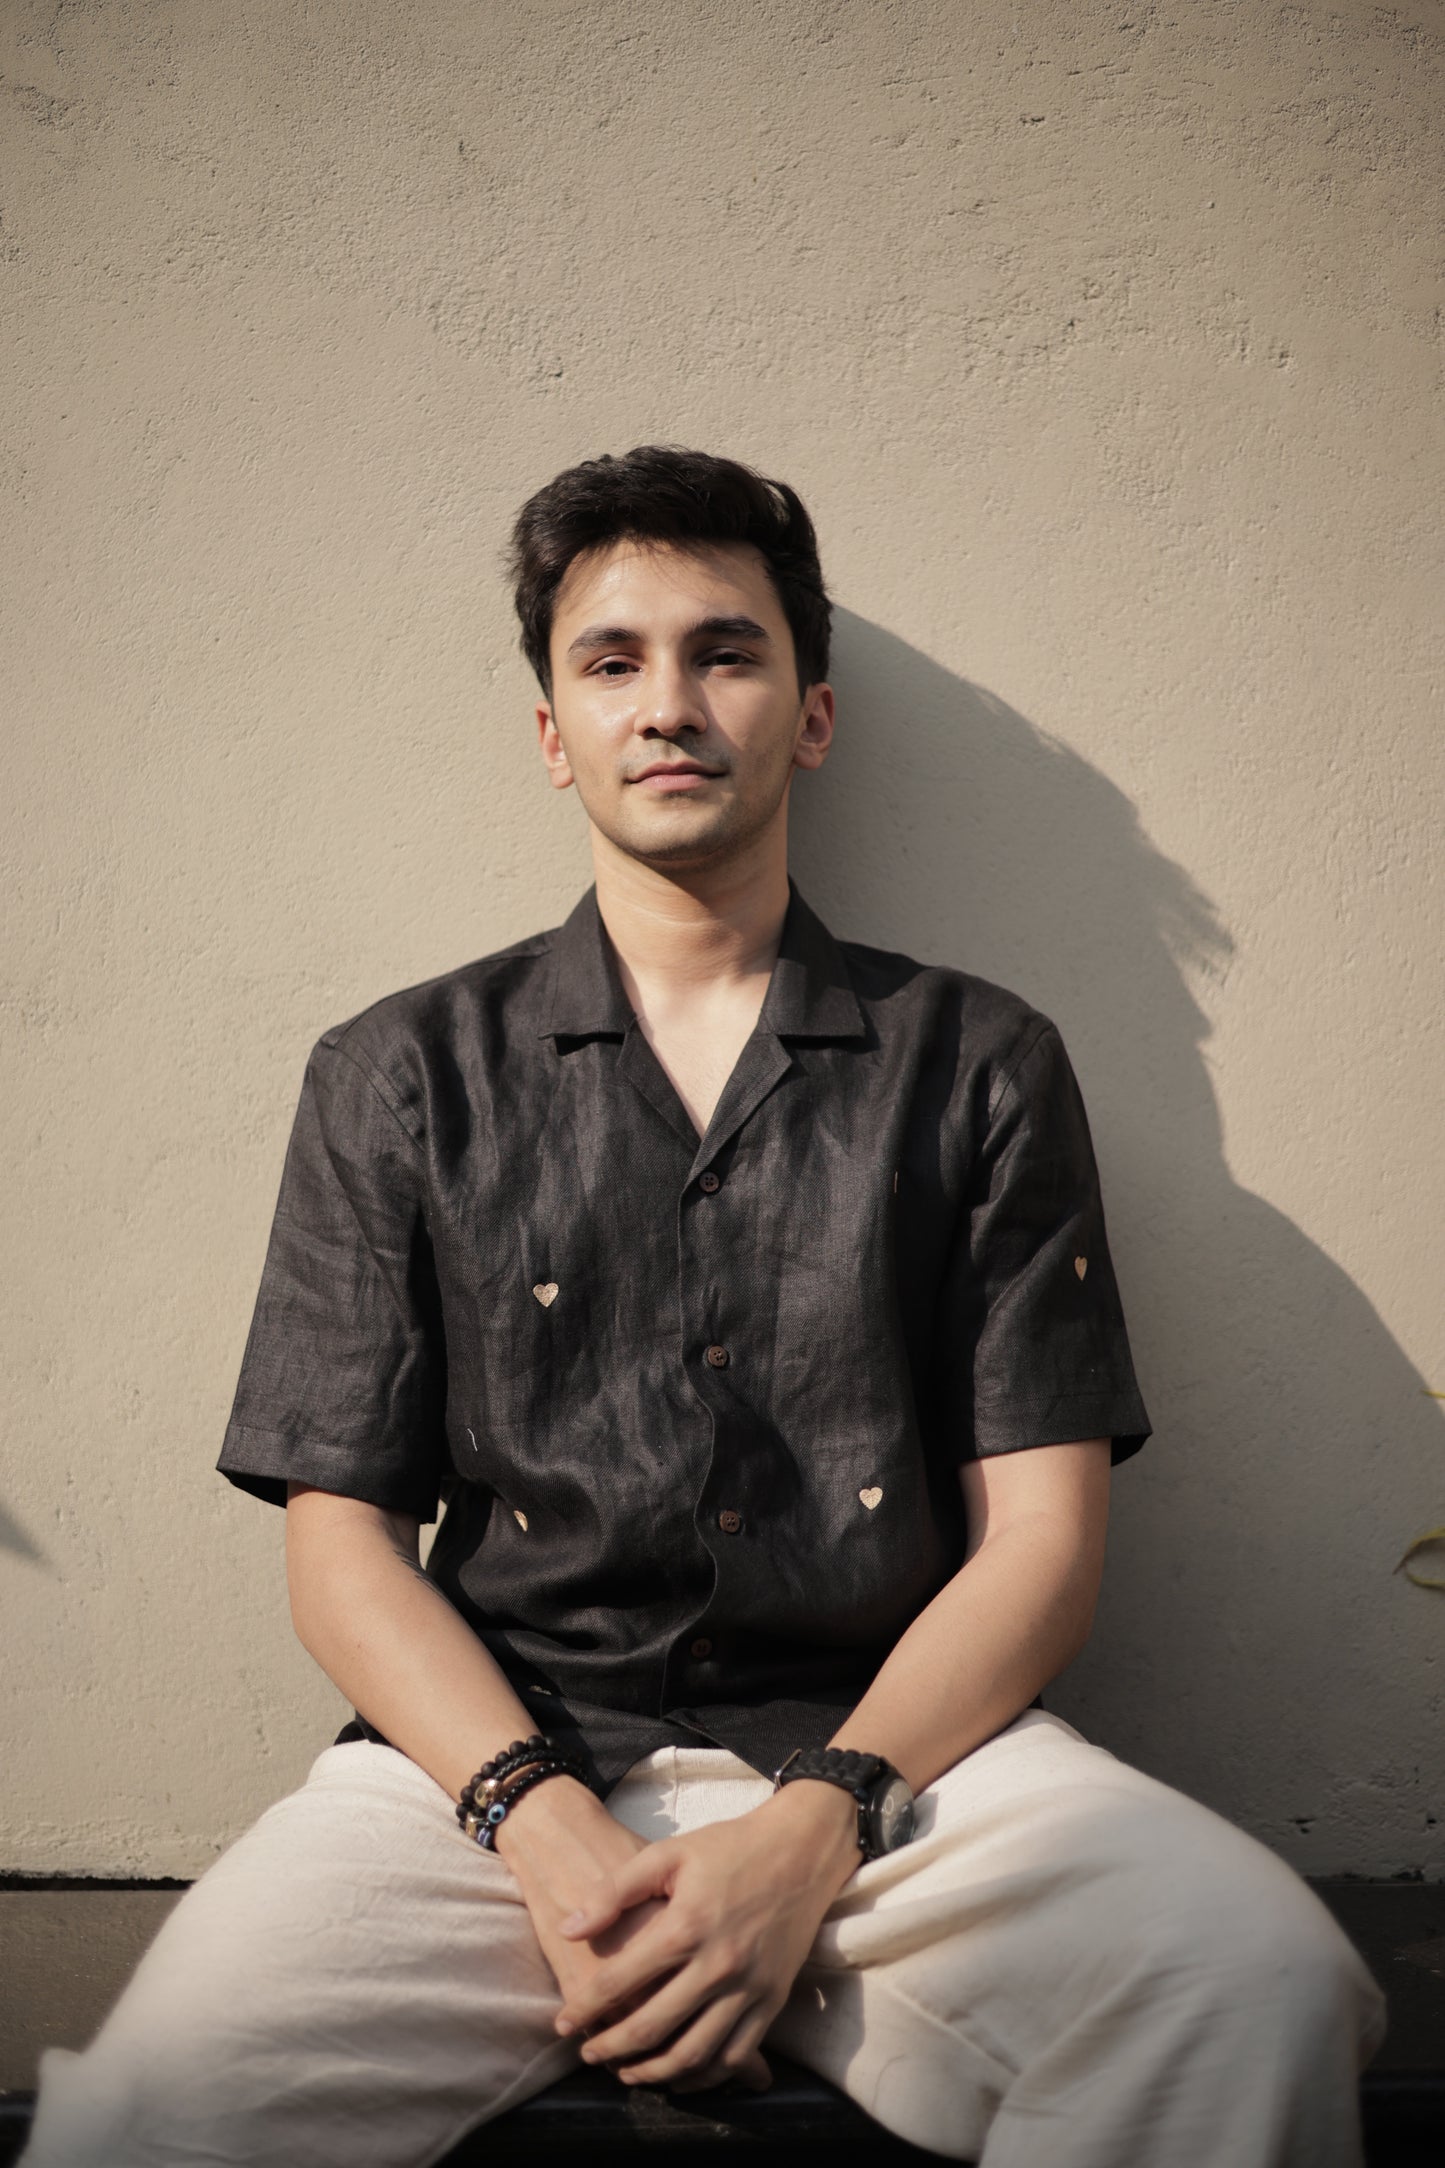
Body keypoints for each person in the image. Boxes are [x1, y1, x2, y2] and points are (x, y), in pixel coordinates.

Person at [24, 446, 1384, 2168]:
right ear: (551, 734)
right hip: (487, 1776)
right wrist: (543, 1827)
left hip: (908, 1768)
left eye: (725, 653)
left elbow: (1041, 1542)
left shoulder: (977, 1063)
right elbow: (341, 1543)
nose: (668, 703)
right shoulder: (399, 1073)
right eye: (611, 662)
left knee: (1251, 1981)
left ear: (810, 714)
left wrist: (817, 1822)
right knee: (152, 2107)